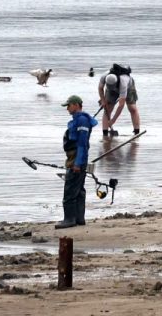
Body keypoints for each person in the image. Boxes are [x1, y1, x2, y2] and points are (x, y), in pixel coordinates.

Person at [58, 95, 96, 228]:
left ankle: (69, 219)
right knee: (79, 190)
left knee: (70, 189)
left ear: (75, 105)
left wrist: (77, 164)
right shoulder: (79, 120)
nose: (67, 108)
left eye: (68, 105)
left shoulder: (81, 121)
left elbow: (82, 144)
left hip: (76, 159)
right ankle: (79, 219)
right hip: (74, 158)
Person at [98, 64, 141, 138]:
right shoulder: (104, 76)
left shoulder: (123, 82)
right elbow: (100, 88)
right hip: (111, 91)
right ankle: (105, 134)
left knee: (132, 108)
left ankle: (136, 132)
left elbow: (121, 105)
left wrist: (113, 120)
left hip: (129, 88)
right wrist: (103, 100)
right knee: (107, 109)